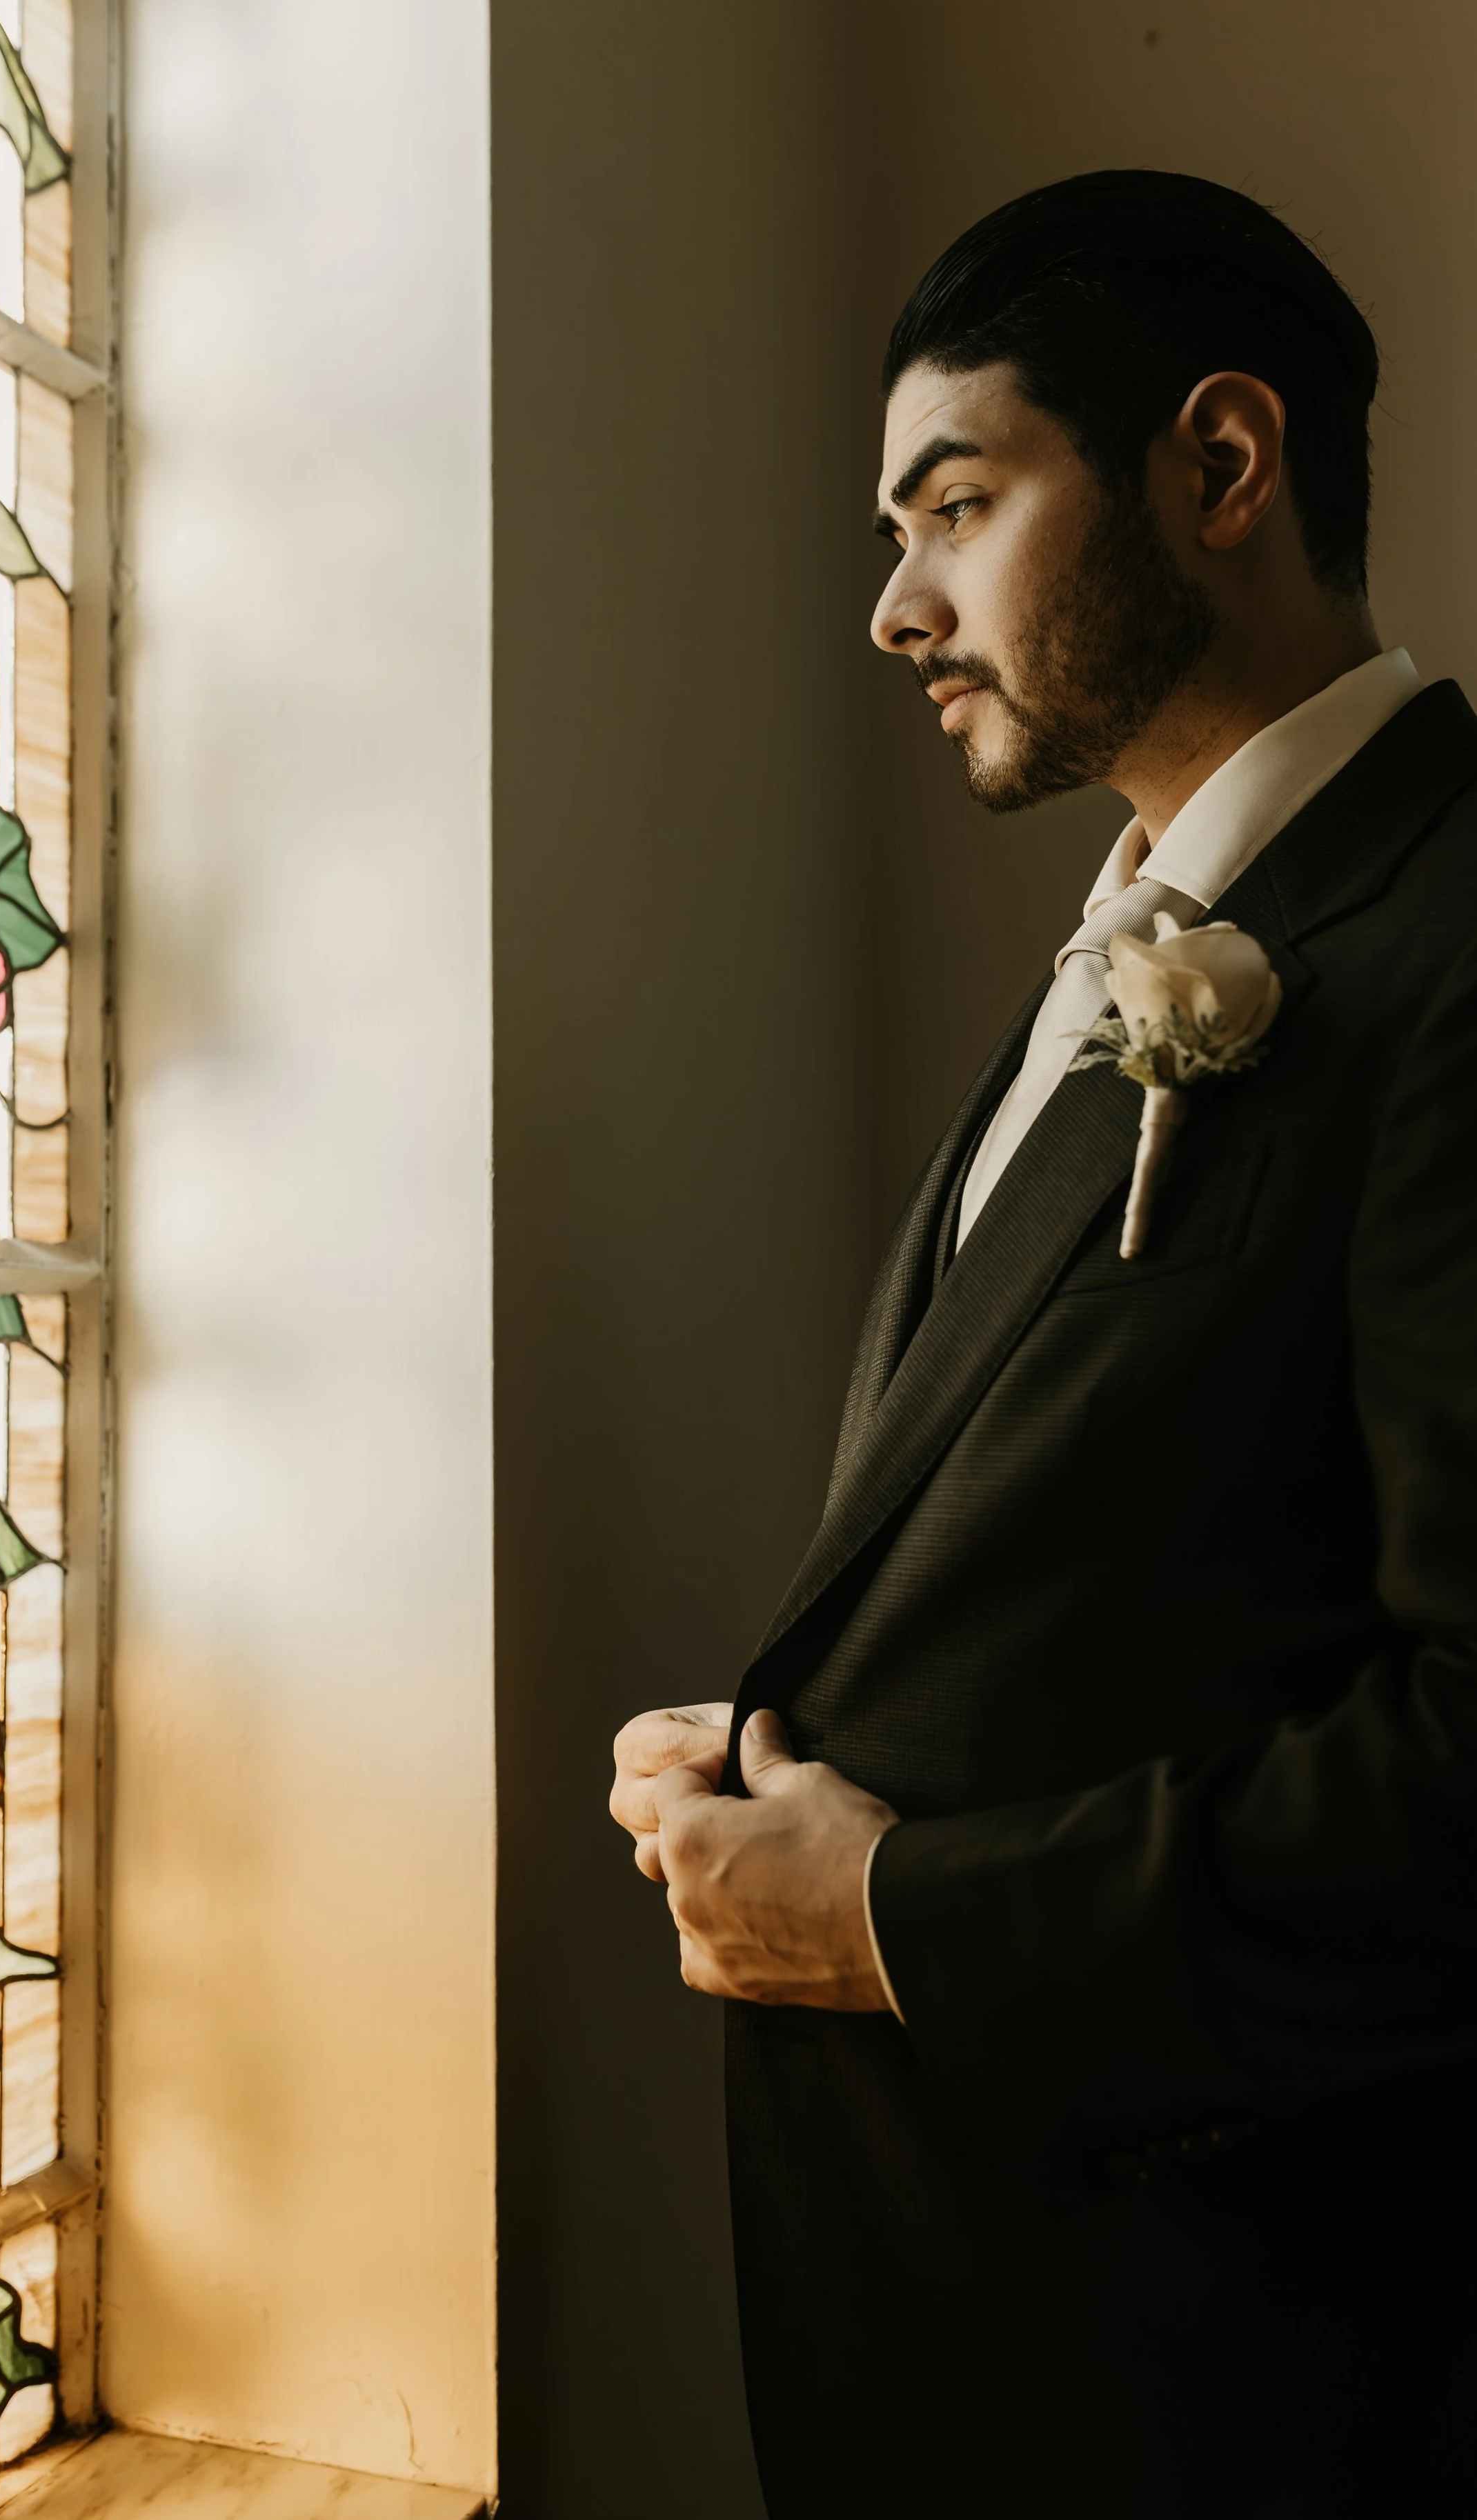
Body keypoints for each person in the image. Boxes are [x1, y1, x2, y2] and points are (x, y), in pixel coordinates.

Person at [608, 169, 1477, 2517]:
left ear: (1218, 464)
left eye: (958, 509)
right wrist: (789, 1741)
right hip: (956, 2317)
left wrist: (894, 1915)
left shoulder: (1451, 934)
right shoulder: (1137, 937)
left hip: (1230, 2369)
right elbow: (1124, 1544)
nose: (892, 609)